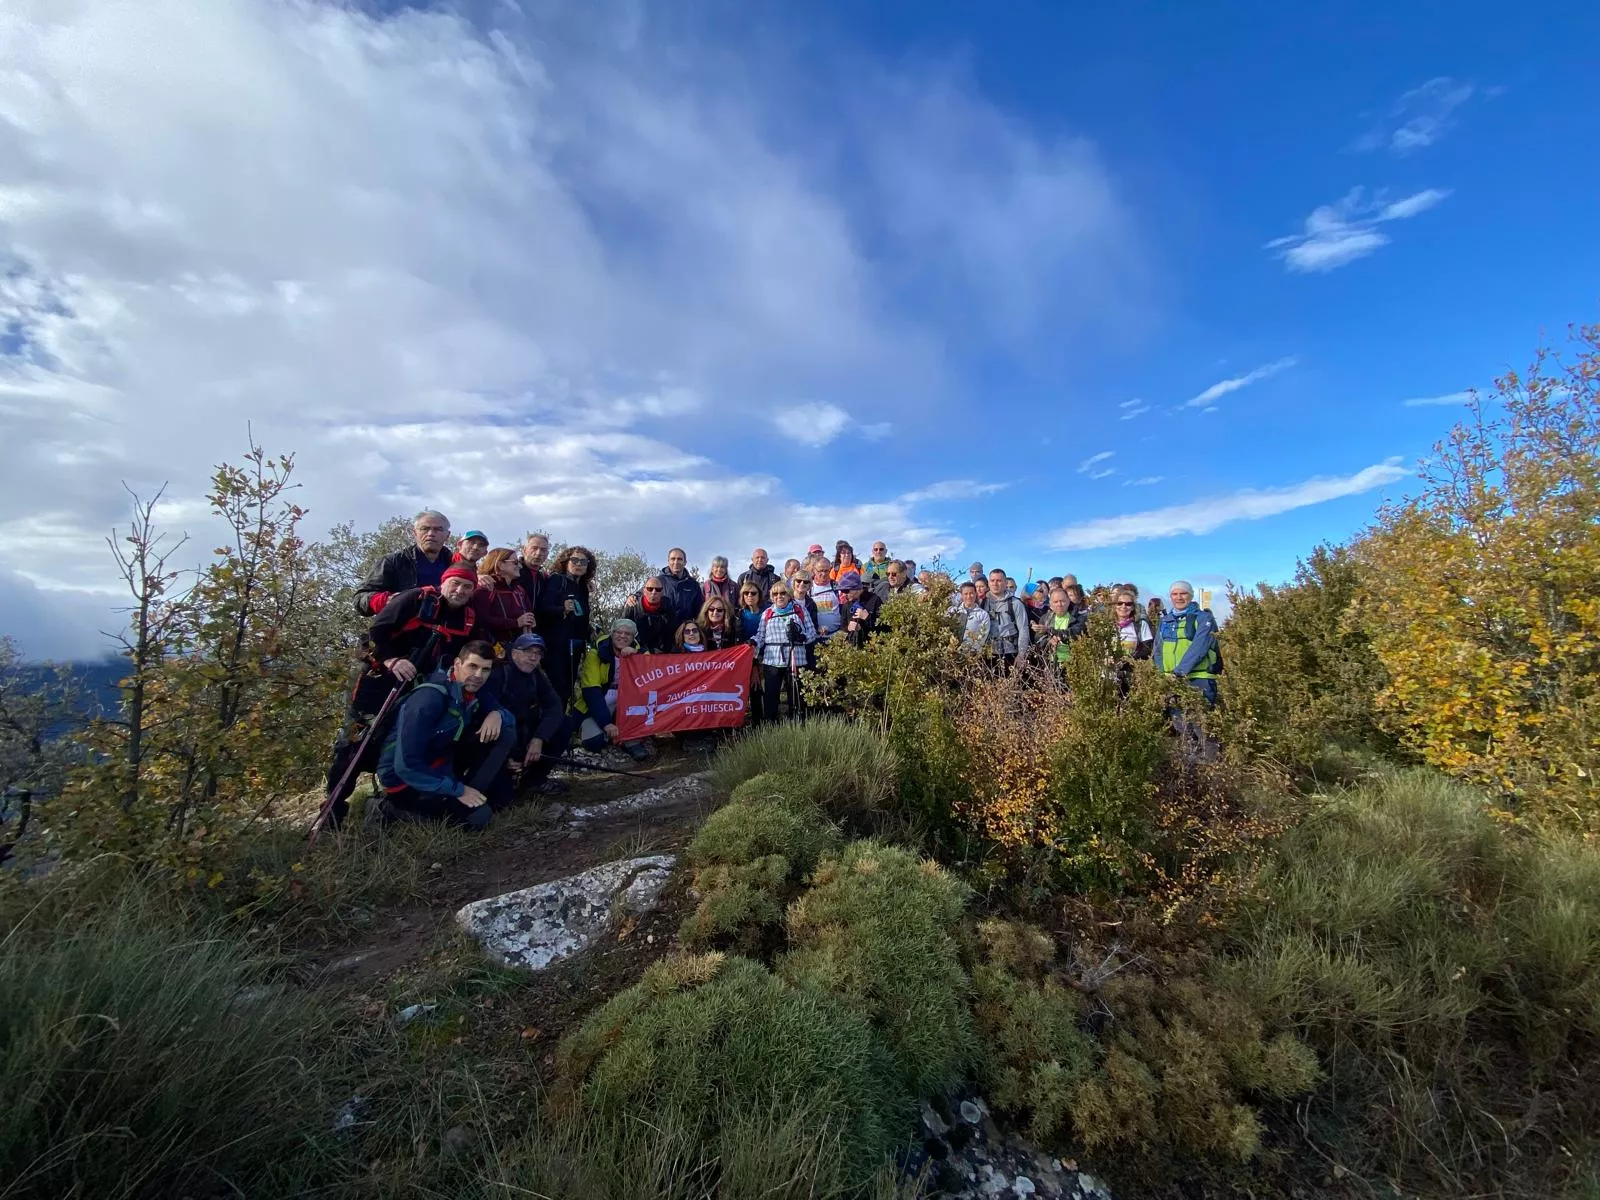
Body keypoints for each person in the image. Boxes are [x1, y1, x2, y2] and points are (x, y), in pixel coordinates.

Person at [323, 564, 481, 826]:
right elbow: (376, 631)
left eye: (467, 586)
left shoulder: (467, 617)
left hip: (418, 687)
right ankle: (333, 807)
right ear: (443, 583)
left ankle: (390, 800)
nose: (460, 590)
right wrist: (391, 660)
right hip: (378, 681)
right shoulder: (415, 598)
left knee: (400, 742)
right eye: (455, 583)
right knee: (355, 744)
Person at [374, 640, 513, 831]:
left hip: (438, 764)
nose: (478, 676)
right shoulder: (429, 699)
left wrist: (497, 714)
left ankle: (466, 795)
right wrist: (459, 790)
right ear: (457, 664)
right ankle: (390, 809)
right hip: (404, 781)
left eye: (486, 670)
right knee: (479, 818)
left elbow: (508, 718)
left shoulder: (473, 691)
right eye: (472, 666)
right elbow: (405, 766)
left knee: (502, 791)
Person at [482, 632, 567, 796]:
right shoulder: (498, 674)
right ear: (514, 653)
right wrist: (506, 756)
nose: (534, 658)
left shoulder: (536, 676)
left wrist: (540, 738)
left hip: (525, 737)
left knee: (564, 724)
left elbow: (554, 706)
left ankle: (534, 780)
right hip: (500, 741)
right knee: (501, 798)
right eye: (529, 652)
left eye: (538, 653)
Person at [565, 618, 651, 761]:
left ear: (633, 637)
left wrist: (635, 658)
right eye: (619, 632)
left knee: (634, 734)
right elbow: (591, 691)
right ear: (612, 633)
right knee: (594, 742)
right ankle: (603, 731)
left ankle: (627, 740)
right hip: (599, 702)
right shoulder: (596, 652)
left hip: (626, 704)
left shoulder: (641, 653)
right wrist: (606, 723)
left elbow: (649, 681)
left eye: (628, 634)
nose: (622, 636)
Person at [354, 510, 452, 616]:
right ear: (414, 533)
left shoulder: (457, 565)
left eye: (438, 529)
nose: (431, 534)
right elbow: (360, 598)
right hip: (401, 629)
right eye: (424, 528)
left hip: (445, 630)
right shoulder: (393, 562)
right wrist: (386, 601)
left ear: (447, 535)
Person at [539, 545, 597, 704]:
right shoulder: (557, 579)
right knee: (558, 688)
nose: (578, 564)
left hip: (576, 643)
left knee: (568, 688)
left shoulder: (582, 586)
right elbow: (543, 608)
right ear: (565, 562)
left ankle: (563, 725)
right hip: (556, 644)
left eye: (583, 562)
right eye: (574, 560)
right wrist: (561, 609)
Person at [754, 581, 816, 722]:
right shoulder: (767, 613)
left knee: (796, 697)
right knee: (771, 696)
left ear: (789, 595)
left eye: (783, 593)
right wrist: (753, 643)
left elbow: (812, 633)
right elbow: (760, 636)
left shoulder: (800, 610)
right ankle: (770, 726)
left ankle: (798, 726)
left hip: (796, 658)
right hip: (772, 660)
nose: (779, 596)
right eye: (775, 594)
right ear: (771, 597)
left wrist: (801, 637)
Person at [1155, 580, 1222, 706]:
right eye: (1174, 594)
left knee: (1199, 723)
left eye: (1183, 593)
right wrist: (1162, 675)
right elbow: (1158, 650)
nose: (1179, 597)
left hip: (1199, 679)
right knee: (1178, 723)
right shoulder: (1165, 621)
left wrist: (1179, 673)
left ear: (1191, 596)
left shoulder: (1203, 618)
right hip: (1171, 681)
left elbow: (1199, 648)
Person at [471, 548, 536, 650]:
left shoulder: (519, 590)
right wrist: (515, 623)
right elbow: (480, 620)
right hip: (492, 649)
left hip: (519, 648)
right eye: (515, 562)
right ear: (500, 565)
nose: (519, 566)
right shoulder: (487, 587)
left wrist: (530, 622)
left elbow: (528, 612)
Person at [984, 568, 1032, 670]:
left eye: (999, 580)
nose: (995, 584)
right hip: (989, 654)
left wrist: (1021, 655)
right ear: (988, 583)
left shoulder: (1015, 603)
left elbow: (1023, 629)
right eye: (992, 581)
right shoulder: (982, 603)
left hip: (1010, 653)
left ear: (1005, 583)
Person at [626, 575, 679, 653]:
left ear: (662, 592)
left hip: (661, 655)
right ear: (644, 591)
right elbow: (623, 631)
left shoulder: (669, 607)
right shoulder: (632, 606)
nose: (654, 592)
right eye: (650, 589)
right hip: (637, 653)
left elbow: (672, 634)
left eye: (658, 589)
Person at [834, 570, 881, 647]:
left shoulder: (875, 600)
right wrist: (848, 628)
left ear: (856, 588)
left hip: (871, 648)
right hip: (852, 648)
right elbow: (843, 626)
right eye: (842, 591)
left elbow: (884, 628)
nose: (844, 594)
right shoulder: (847, 604)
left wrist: (867, 618)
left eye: (846, 591)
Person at [658, 547, 702, 624]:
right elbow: (642, 593)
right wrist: (633, 596)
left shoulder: (693, 585)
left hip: (684, 632)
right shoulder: (658, 581)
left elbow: (698, 612)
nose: (676, 562)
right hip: (661, 631)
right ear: (668, 561)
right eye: (673, 559)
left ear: (685, 562)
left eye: (679, 559)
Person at [808, 556, 843, 639]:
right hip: (816, 636)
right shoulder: (808, 587)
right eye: (820, 571)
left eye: (826, 570)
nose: (823, 574)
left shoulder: (837, 586)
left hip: (836, 635)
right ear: (814, 570)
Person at [518, 531, 551, 613]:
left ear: (547, 554)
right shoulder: (511, 572)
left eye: (543, 550)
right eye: (534, 548)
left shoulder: (544, 578)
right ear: (524, 550)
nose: (538, 553)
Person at [956, 581, 991, 652]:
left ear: (976, 594)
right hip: (954, 652)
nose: (969, 596)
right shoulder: (954, 611)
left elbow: (983, 636)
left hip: (973, 655)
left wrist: (973, 651)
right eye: (965, 594)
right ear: (961, 595)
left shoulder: (983, 614)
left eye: (971, 593)